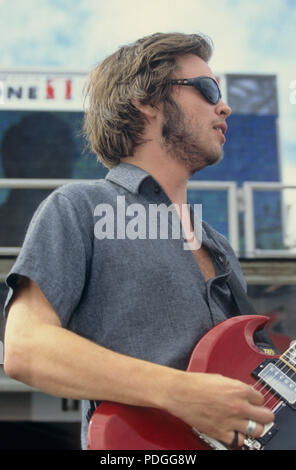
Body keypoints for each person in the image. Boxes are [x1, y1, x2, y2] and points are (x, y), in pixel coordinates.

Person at [3, 32, 276, 450]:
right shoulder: (80, 206)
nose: (225, 106)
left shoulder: (218, 245)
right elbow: (26, 348)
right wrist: (180, 392)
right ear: (145, 101)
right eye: (207, 89)